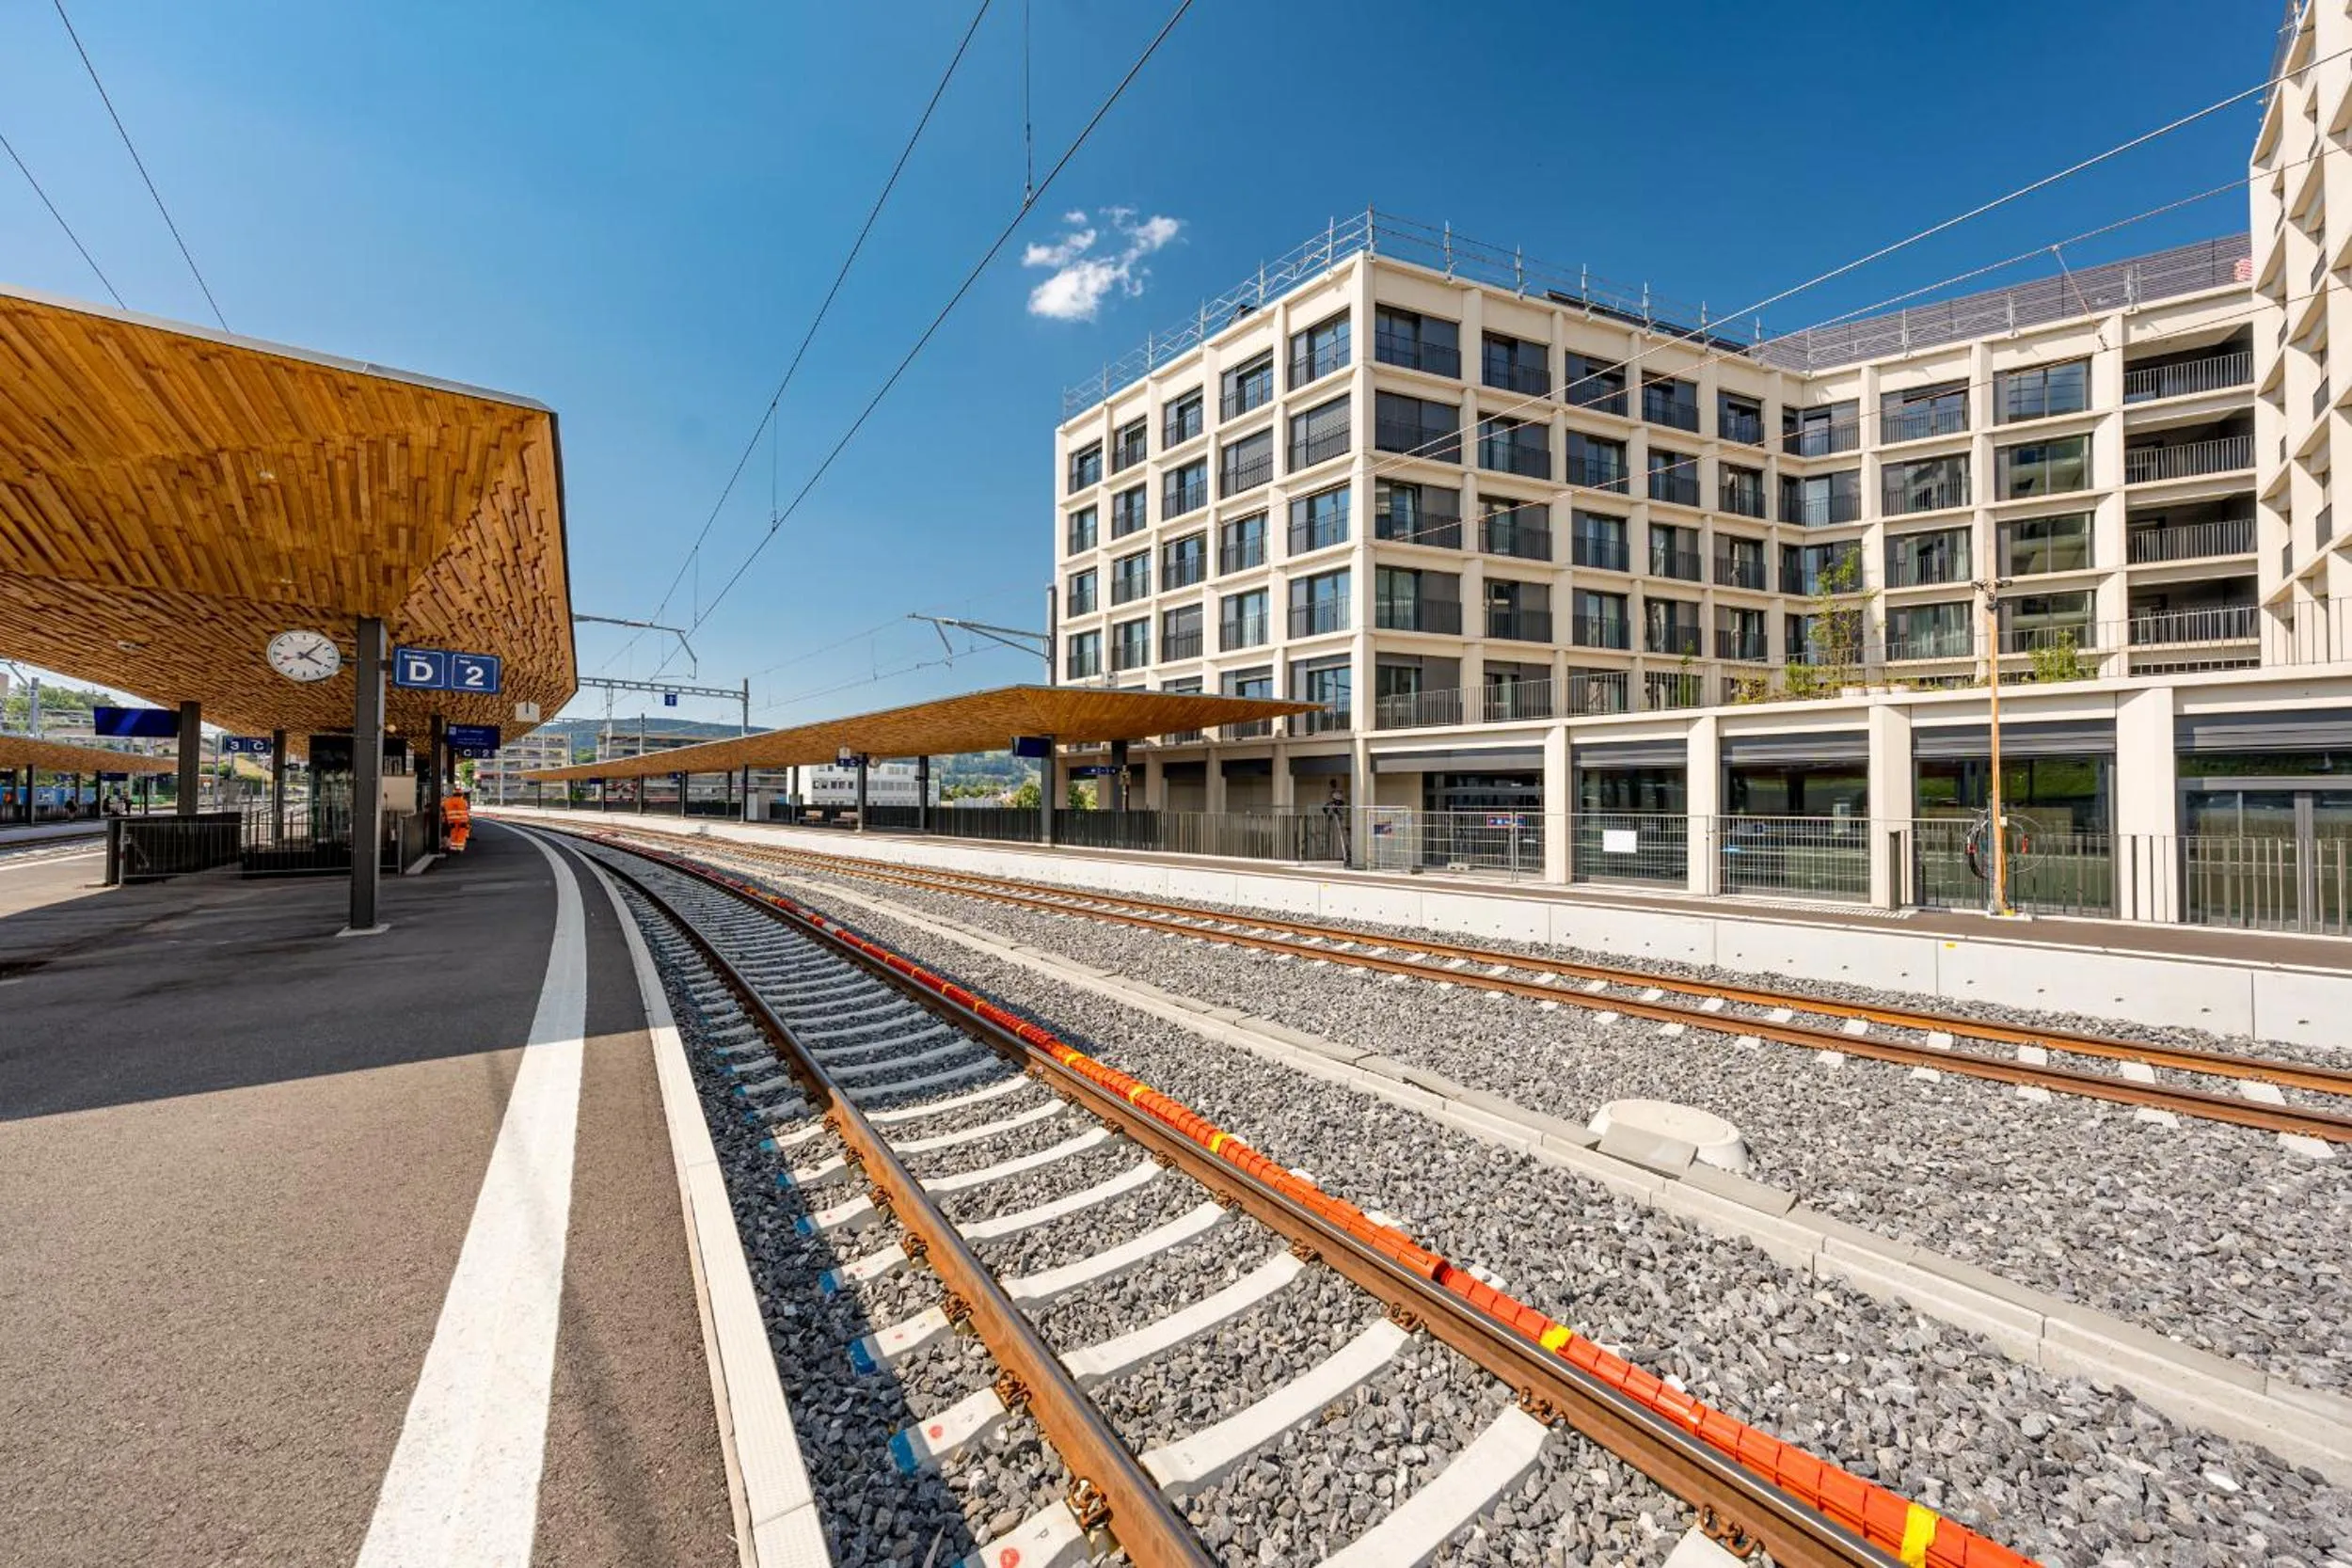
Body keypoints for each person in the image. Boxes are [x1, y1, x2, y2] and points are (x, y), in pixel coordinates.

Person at [442, 786, 472, 854]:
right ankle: (459, 848)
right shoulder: (464, 802)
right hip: (462, 822)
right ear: (461, 794)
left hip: (452, 821)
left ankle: (453, 848)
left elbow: (443, 807)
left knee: (453, 834)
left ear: (453, 794)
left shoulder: (448, 801)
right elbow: (467, 812)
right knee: (461, 835)